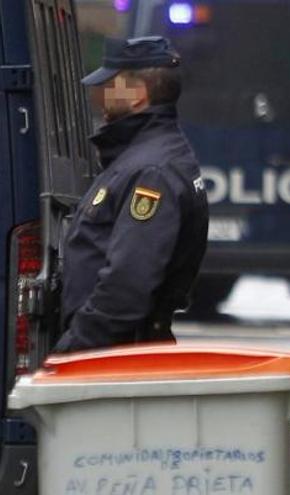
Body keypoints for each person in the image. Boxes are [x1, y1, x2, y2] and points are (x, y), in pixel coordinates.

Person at [53, 36, 208, 353]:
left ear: (138, 94)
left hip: (114, 356)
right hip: (117, 350)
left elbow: (126, 286)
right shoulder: (144, 157)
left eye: (110, 85)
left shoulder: (151, 171)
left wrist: (72, 351)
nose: (99, 95)